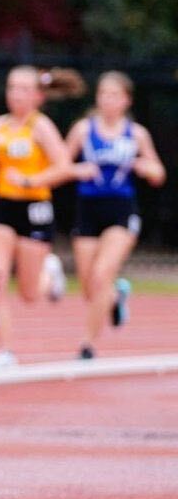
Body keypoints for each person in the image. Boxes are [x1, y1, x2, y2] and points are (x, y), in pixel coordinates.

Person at [0, 66, 82, 367]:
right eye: (11, 88)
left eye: (23, 89)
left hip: (34, 210)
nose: (15, 95)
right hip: (3, 207)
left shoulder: (41, 126)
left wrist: (32, 180)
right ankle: (4, 351)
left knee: (29, 293)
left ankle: (50, 274)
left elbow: (64, 166)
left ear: (37, 95)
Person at [66, 71, 165, 359]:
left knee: (101, 274)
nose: (107, 100)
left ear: (126, 100)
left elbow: (159, 172)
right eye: (103, 94)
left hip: (121, 211)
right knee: (88, 287)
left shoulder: (136, 134)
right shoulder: (83, 130)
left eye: (114, 95)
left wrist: (147, 168)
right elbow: (60, 163)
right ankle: (116, 296)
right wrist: (77, 169)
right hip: (88, 210)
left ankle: (87, 345)